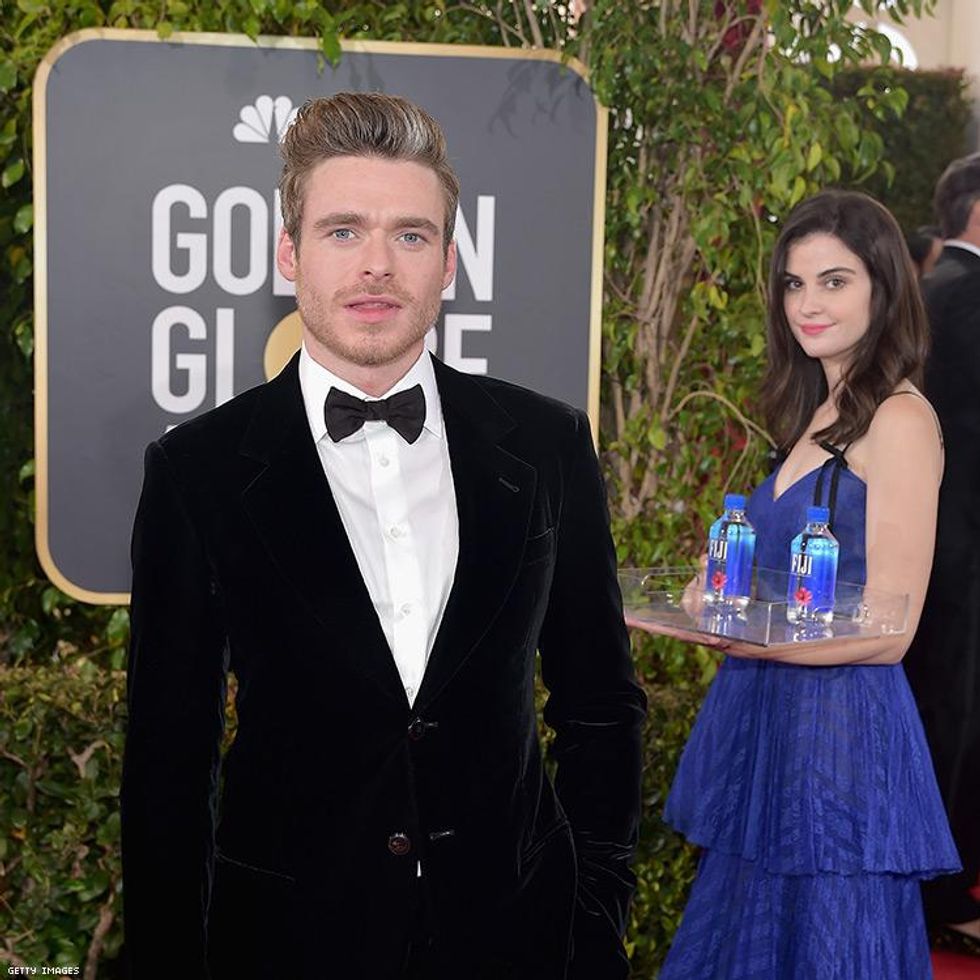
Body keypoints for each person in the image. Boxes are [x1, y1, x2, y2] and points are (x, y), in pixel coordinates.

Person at [120, 92, 646, 980]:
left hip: (518, 939)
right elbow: (168, 766)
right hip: (286, 946)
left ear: (448, 261)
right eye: (341, 232)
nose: (376, 266)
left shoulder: (548, 445)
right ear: (289, 253)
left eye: (409, 235)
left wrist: (594, 924)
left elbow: (600, 707)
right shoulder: (197, 472)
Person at [652, 190, 959, 977]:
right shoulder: (818, 411)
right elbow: (790, 580)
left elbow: (890, 628)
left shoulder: (897, 419)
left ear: (883, 288)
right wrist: (709, 591)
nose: (807, 304)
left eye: (834, 281)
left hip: (840, 741)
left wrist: (736, 630)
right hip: (773, 722)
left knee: (830, 945)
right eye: (794, 283)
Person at [904, 152, 980, 953]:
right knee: (953, 712)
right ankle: (947, 889)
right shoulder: (970, 294)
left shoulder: (929, 291)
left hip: (933, 536)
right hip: (962, 542)